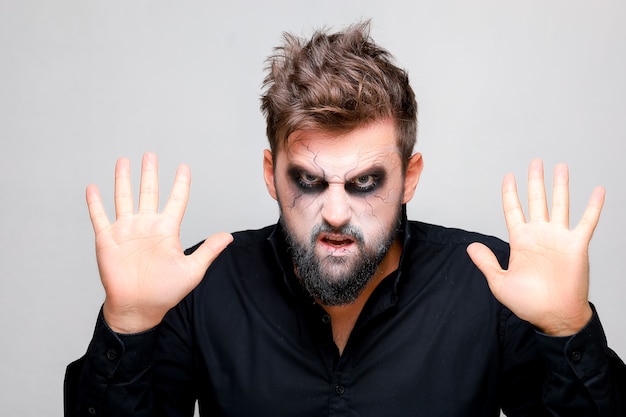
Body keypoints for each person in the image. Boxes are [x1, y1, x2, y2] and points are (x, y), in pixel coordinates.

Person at [64, 22, 626, 416]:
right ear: (271, 173)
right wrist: (129, 325)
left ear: (409, 178)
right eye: (308, 181)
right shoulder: (201, 287)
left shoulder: (493, 287)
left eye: (365, 184)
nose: (335, 212)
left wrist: (567, 331)